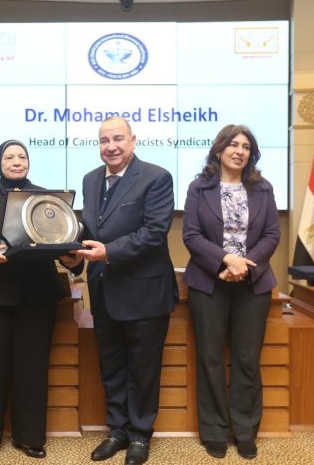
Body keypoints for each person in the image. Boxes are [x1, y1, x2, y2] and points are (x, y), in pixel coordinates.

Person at [0, 140, 80, 460]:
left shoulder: (49, 199)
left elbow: (66, 239)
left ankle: (31, 438)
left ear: (28, 162)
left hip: (37, 296)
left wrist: (70, 254)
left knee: (32, 369)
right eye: (9, 157)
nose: (16, 161)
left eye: (22, 156)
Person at [73, 116, 177, 465]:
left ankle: (140, 435)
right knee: (112, 364)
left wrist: (108, 252)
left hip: (144, 292)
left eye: (118, 139)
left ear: (133, 140)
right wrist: (72, 248)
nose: (111, 146)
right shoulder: (90, 179)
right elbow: (92, 229)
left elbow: (154, 232)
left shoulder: (156, 177)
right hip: (104, 289)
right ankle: (117, 430)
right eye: (104, 140)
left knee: (143, 369)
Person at [181, 124, 280, 460]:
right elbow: (191, 235)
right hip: (209, 281)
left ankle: (245, 430)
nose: (239, 151)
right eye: (233, 145)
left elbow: (272, 234)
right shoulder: (199, 188)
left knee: (247, 359)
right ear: (219, 150)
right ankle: (214, 431)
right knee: (210, 358)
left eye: (246, 147)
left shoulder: (263, 188)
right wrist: (226, 260)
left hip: (253, 282)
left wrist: (244, 265)